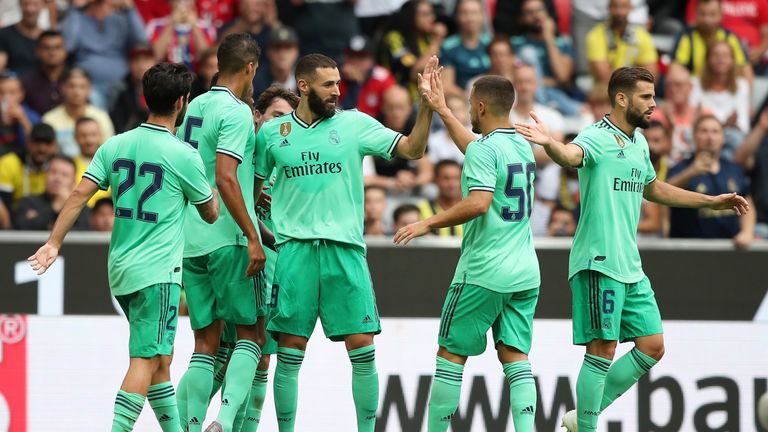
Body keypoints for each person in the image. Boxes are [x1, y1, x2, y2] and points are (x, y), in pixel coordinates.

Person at [514, 66, 750, 432]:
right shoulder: (595, 136)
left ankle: (582, 417)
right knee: (602, 349)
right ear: (622, 99)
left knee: (652, 346)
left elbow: (653, 188)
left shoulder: (639, 143)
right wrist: (550, 144)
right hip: (598, 261)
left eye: (653, 96)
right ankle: (587, 427)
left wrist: (711, 200)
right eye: (646, 96)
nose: (654, 103)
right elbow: (570, 156)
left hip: (630, 265)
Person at [27, 61, 219, 432]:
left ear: (146, 98)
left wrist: (53, 243)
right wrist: (213, 188)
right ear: (181, 101)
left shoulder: (115, 144)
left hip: (120, 270)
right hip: (158, 273)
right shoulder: (183, 154)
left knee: (160, 359)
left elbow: (78, 195)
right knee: (146, 359)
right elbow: (210, 214)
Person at [253, 53, 438, 431]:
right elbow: (251, 187)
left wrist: (427, 108)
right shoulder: (273, 134)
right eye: (328, 84)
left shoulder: (354, 124)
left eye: (338, 83)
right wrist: (254, 227)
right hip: (295, 252)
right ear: (303, 86)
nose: (337, 90)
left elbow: (413, 149)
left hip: (345, 250)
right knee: (289, 352)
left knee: (362, 348)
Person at [394, 74, 540, 432]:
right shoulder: (521, 145)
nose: (470, 112)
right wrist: (443, 109)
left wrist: (427, 223)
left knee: (450, 355)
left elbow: (478, 202)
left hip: (483, 270)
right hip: (524, 271)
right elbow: (476, 148)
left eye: (471, 105)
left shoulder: (483, 149)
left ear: (481, 107)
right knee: (515, 356)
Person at [174, 33, 268, 432]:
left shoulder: (192, 107)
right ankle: (225, 423)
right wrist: (252, 235)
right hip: (226, 236)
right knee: (251, 335)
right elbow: (226, 177)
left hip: (190, 240)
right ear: (250, 67)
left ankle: (192, 427)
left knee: (205, 344)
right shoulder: (237, 111)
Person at [667, 115, 755, 249]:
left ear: (723, 138)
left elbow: (747, 203)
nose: (710, 137)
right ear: (694, 136)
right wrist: (692, 172)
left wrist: (747, 232)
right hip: (688, 249)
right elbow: (664, 192)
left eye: (715, 132)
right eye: (704, 131)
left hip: (731, 249)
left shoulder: (734, 169)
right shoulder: (680, 169)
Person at [60, 0, 148, 108]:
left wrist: (130, 9)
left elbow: (142, 42)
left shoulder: (121, 19)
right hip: (89, 86)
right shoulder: (78, 18)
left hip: (121, 85)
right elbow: (68, 45)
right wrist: (75, 9)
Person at [513, 0, 581, 116]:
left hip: (557, 95)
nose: (535, 15)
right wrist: (550, 82)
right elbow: (516, 77)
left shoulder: (563, 43)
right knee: (528, 52)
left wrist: (549, 37)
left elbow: (563, 76)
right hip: (527, 95)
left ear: (547, 13)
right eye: (529, 12)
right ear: (522, 18)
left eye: (539, 10)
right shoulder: (516, 44)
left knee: (582, 114)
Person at [689, 39, 750, 158]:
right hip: (702, 134)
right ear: (708, 59)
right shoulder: (695, 84)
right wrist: (725, 124)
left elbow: (743, 125)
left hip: (730, 138)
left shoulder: (742, 86)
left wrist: (722, 127)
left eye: (725, 56)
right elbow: (692, 119)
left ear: (732, 60)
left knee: (735, 139)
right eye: (716, 55)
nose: (720, 59)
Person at [379, 0, 447, 101]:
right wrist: (436, 41)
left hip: (427, 98)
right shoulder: (395, 38)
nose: (432, 18)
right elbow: (414, 73)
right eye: (425, 14)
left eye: (432, 14)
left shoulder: (428, 38)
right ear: (410, 16)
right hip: (401, 99)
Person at [672, 0, 753, 81]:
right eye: (702, 14)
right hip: (694, 85)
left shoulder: (730, 37)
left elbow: (745, 68)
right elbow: (675, 68)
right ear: (696, 14)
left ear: (721, 15)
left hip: (725, 86)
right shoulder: (686, 37)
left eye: (712, 14)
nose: (707, 20)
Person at [42, 68, 115, 157]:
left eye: (82, 87)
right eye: (71, 86)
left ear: (89, 90)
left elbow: (109, 152)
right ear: (62, 88)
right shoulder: (49, 119)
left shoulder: (101, 117)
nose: (76, 92)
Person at [586, 0, 658, 85]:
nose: (619, 12)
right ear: (609, 8)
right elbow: (604, 77)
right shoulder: (596, 35)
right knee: (600, 90)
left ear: (630, 8)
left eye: (623, 7)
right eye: (615, 7)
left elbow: (651, 75)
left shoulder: (642, 35)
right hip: (608, 88)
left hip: (633, 88)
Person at [13, 155, 90, 230]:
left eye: (64, 175)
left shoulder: (81, 208)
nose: (57, 178)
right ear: (45, 175)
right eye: (53, 172)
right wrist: (55, 207)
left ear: (73, 182)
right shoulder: (28, 202)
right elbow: (20, 227)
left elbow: (85, 232)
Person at [146, 0, 216, 71]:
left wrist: (194, 26)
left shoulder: (206, 26)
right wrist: (172, 23)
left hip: (196, 75)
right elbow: (156, 56)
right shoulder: (156, 25)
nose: (183, 2)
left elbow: (207, 58)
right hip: (166, 74)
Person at [0, 122, 57, 209]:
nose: (42, 148)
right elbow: (4, 204)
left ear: (55, 146)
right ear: (28, 142)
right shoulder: (9, 163)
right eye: (37, 142)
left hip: (50, 214)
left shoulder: (60, 167)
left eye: (47, 143)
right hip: (15, 214)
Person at [440, 0, 490, 95]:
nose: (470, 18)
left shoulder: (491, 44)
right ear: (457, 16)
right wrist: (471, 99)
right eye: (464, 13)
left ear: (482, 16)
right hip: (460, 98)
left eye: (474, 13)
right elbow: (447, 86)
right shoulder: (448, 47)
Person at [339, 34, 395, 118]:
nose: (355, 62)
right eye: (351, 56)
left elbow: (393, 107)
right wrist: (354, 85)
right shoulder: (337, 78)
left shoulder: (382, 77)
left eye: (361, 57)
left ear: (371, 60)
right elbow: (341, 115)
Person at [109, 45, 154, 134]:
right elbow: (118, 125)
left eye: (146, 60)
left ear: (154, 62)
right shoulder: (119, 90)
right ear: (129, 64)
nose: (141, 66)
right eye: (136, 61)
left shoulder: (163, 87)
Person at [21, 30, 67, 116]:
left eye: (57, 48)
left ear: (65, 51)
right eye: (47, 48)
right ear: (38, 51)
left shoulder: (74, 80)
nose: (52, 53)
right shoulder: (26, 82)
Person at [417, 159, 464, 237]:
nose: (452, 184)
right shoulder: (422, 208)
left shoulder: (471, 208)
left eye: (456, 178)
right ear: (435, 179)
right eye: (446, 178)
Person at [72, 117, 111, 207]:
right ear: (75, 137)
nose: (89, 140)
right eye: (83, 136)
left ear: (101, 135)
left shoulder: (112, 164)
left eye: (93, 135)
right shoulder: (69, 166)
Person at [251, 26, 299, 97]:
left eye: (287, 47)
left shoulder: (307, 80)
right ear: (268, 51)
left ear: (296, 51)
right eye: (277, 48)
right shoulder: (256, 83)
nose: (282, 53)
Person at [0, 72, 40, 156]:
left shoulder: (32, 117)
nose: (6, 97)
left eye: (12, 92)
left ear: (21, 94)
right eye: (1, 92)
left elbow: (38, 149)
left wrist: (23, 121)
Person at [0, 0, 44, 75]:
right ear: (20, 5)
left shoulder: (48, 38)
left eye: (35, 4)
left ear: (42, 6)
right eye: (26, 4)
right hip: (13, 79)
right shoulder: (4, 34)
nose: (30, 9)